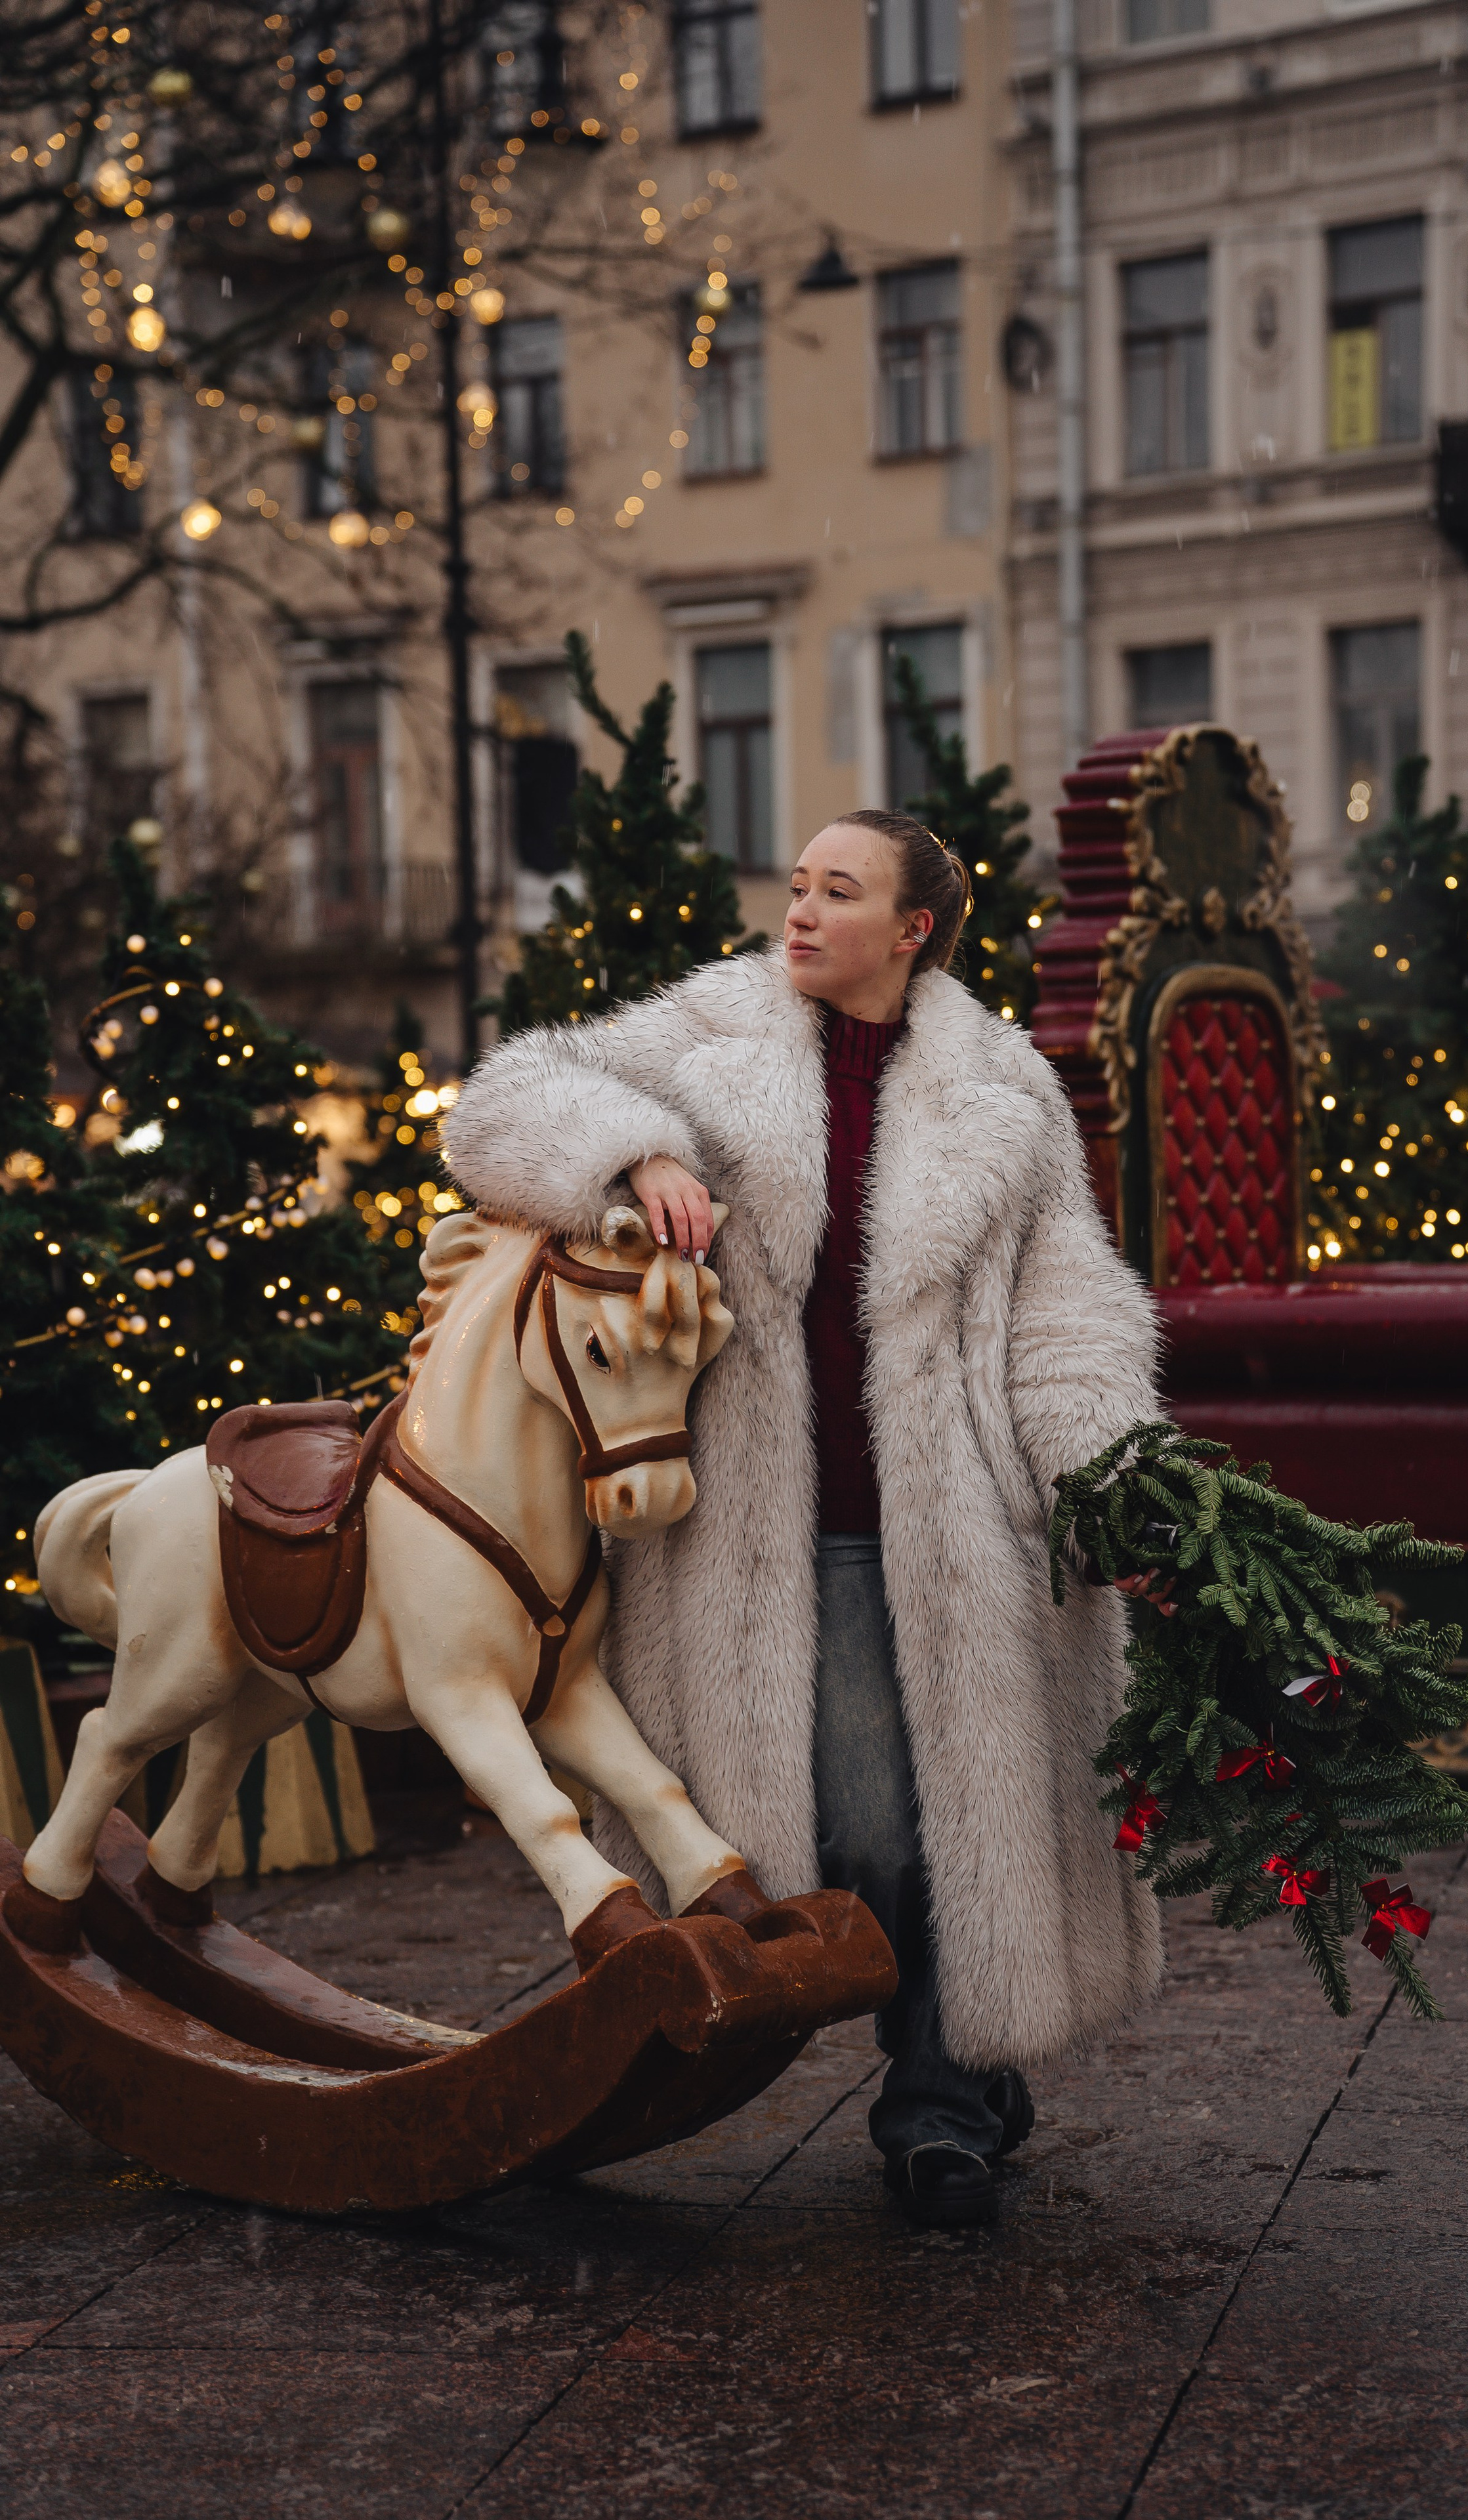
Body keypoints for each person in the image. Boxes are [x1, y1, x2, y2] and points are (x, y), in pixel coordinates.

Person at [445, 808, 1163, 2227]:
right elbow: (501, 1100)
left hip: (966, 1528)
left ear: (912, 931)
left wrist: (1107, 1473)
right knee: (873, 1830)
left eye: (840, 893)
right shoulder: (707, 1033)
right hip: (772, 1529)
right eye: (797, 884)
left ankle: (941, 2105)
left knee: (971, 1813)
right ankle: (957, 2075)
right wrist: (633, 1153)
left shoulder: (1007, 1093)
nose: (801, 912)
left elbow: (1065, 1310)